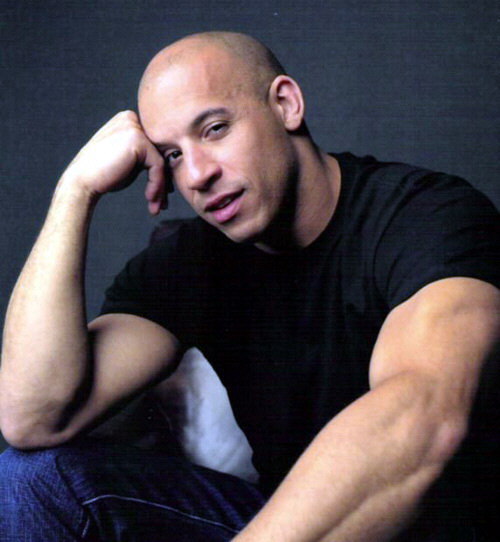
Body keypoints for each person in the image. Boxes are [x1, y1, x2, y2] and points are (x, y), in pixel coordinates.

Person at [0, 31, 499, 542]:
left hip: (435, 527)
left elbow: (420, 419)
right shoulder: (189, 261)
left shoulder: (426, 217)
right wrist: (75, 192)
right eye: (172, 155)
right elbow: (35, 418)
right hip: (279, 525)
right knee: (33, 479)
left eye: (215, 129)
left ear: (286, 104)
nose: (196, 175)